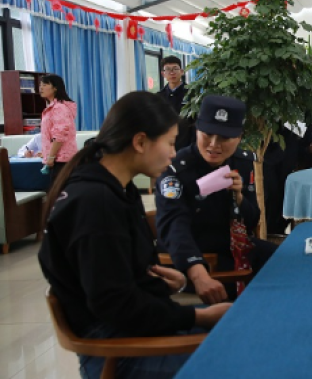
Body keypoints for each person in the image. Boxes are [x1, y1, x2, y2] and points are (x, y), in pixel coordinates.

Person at [38, 92, 231, 379]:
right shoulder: (96, 203)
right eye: (170, 143)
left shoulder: (118, 188)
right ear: (140, 142)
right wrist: (198, 315)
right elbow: (116, 306)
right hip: (118, 349)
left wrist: (166, 283)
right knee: (247, 358)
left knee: (246, 330)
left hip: (137, 326)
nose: (174, 153)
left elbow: (116, 277)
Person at [155, 95, 277, 304]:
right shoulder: (176, 169)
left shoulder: (242, 162)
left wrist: (239, 198)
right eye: (207, 135)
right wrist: (197, 273)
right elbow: (175, 228)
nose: (213, 145)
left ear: (239, 137)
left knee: (286, 265)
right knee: (261, 291)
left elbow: (252, 221)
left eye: (224, 138)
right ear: (197, 130)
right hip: (193, 256)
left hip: (232, 247)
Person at [39, 74, 77, 186]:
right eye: (40, 85)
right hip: (58, 158)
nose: (41, 88)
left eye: (45, 85)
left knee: (58, 193)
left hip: (61, 159)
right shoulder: (53, 107)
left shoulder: (59, 107)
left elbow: (59, 134)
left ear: (55, 88)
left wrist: (51, 157)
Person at [157, 55, 195, 151]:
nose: (172, 72)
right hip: (165, 145)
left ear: (181, 71)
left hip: (187, 144)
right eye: (168, 69)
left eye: (175, 69)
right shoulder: (158, 97)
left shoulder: (192, 94)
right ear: (163, 74)